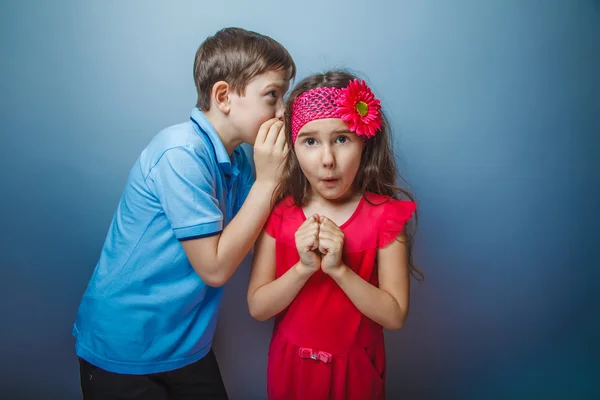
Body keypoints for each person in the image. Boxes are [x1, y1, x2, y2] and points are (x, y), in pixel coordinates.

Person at [73, 27, 295, 399]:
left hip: (185, 343)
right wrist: (267, 184)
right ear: (223, 95)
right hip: (125, 345)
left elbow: (256, 232)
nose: (282, 111)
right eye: (272, 96)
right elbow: (215, 267)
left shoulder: (241, 160)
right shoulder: (180, 152)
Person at [247, 70, 421, 399]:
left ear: (364, 142)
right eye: (310, 141)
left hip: (355, 374)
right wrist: (303, 269)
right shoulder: (279, 214)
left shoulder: (386, 216)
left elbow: (395, 315)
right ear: (293, 147)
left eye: (342, 139)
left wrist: (339, 270)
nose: (328, 160)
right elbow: (258, 307)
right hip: (291, 371)